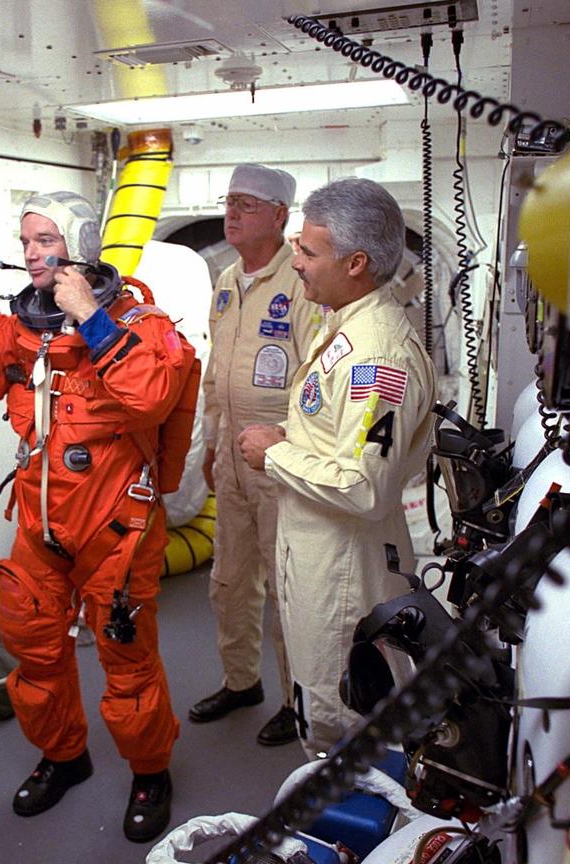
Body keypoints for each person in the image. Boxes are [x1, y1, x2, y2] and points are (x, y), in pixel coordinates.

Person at [0, 191, 196, 843]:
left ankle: (150, 771)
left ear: (78, 242)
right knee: (34, 651)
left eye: (44, 239)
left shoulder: (140, 322)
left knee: (128, 658)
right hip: (41, 527)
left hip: (118, 529)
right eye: (25, 241)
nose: (30, 253)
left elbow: (151, 395)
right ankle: (63, 757)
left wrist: (90, 316)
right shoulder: (18, 331)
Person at [239, 178, 437, 761]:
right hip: (315, 549)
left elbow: (362, 486)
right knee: (316, 695)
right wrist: (291, 437)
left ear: (356, 263)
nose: (294, 262)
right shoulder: (343, 323)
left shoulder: (378, 357)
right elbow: (335, 438)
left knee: (338, 714)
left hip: (343, 570)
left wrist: (273, 453)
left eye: (307, 252)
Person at [190, 164, 322, 747]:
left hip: (279, 460)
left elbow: (319, 382)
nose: (233, 212)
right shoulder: (225, 280)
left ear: (279, 217)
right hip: (230, 457)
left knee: (286, 586)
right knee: (230, 580)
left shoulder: (300, 283)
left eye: (248, 204)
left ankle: (300, 701)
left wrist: (291, 450)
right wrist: (213, 442)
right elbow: (215, 372)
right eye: (230, 201)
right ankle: (241, 681)